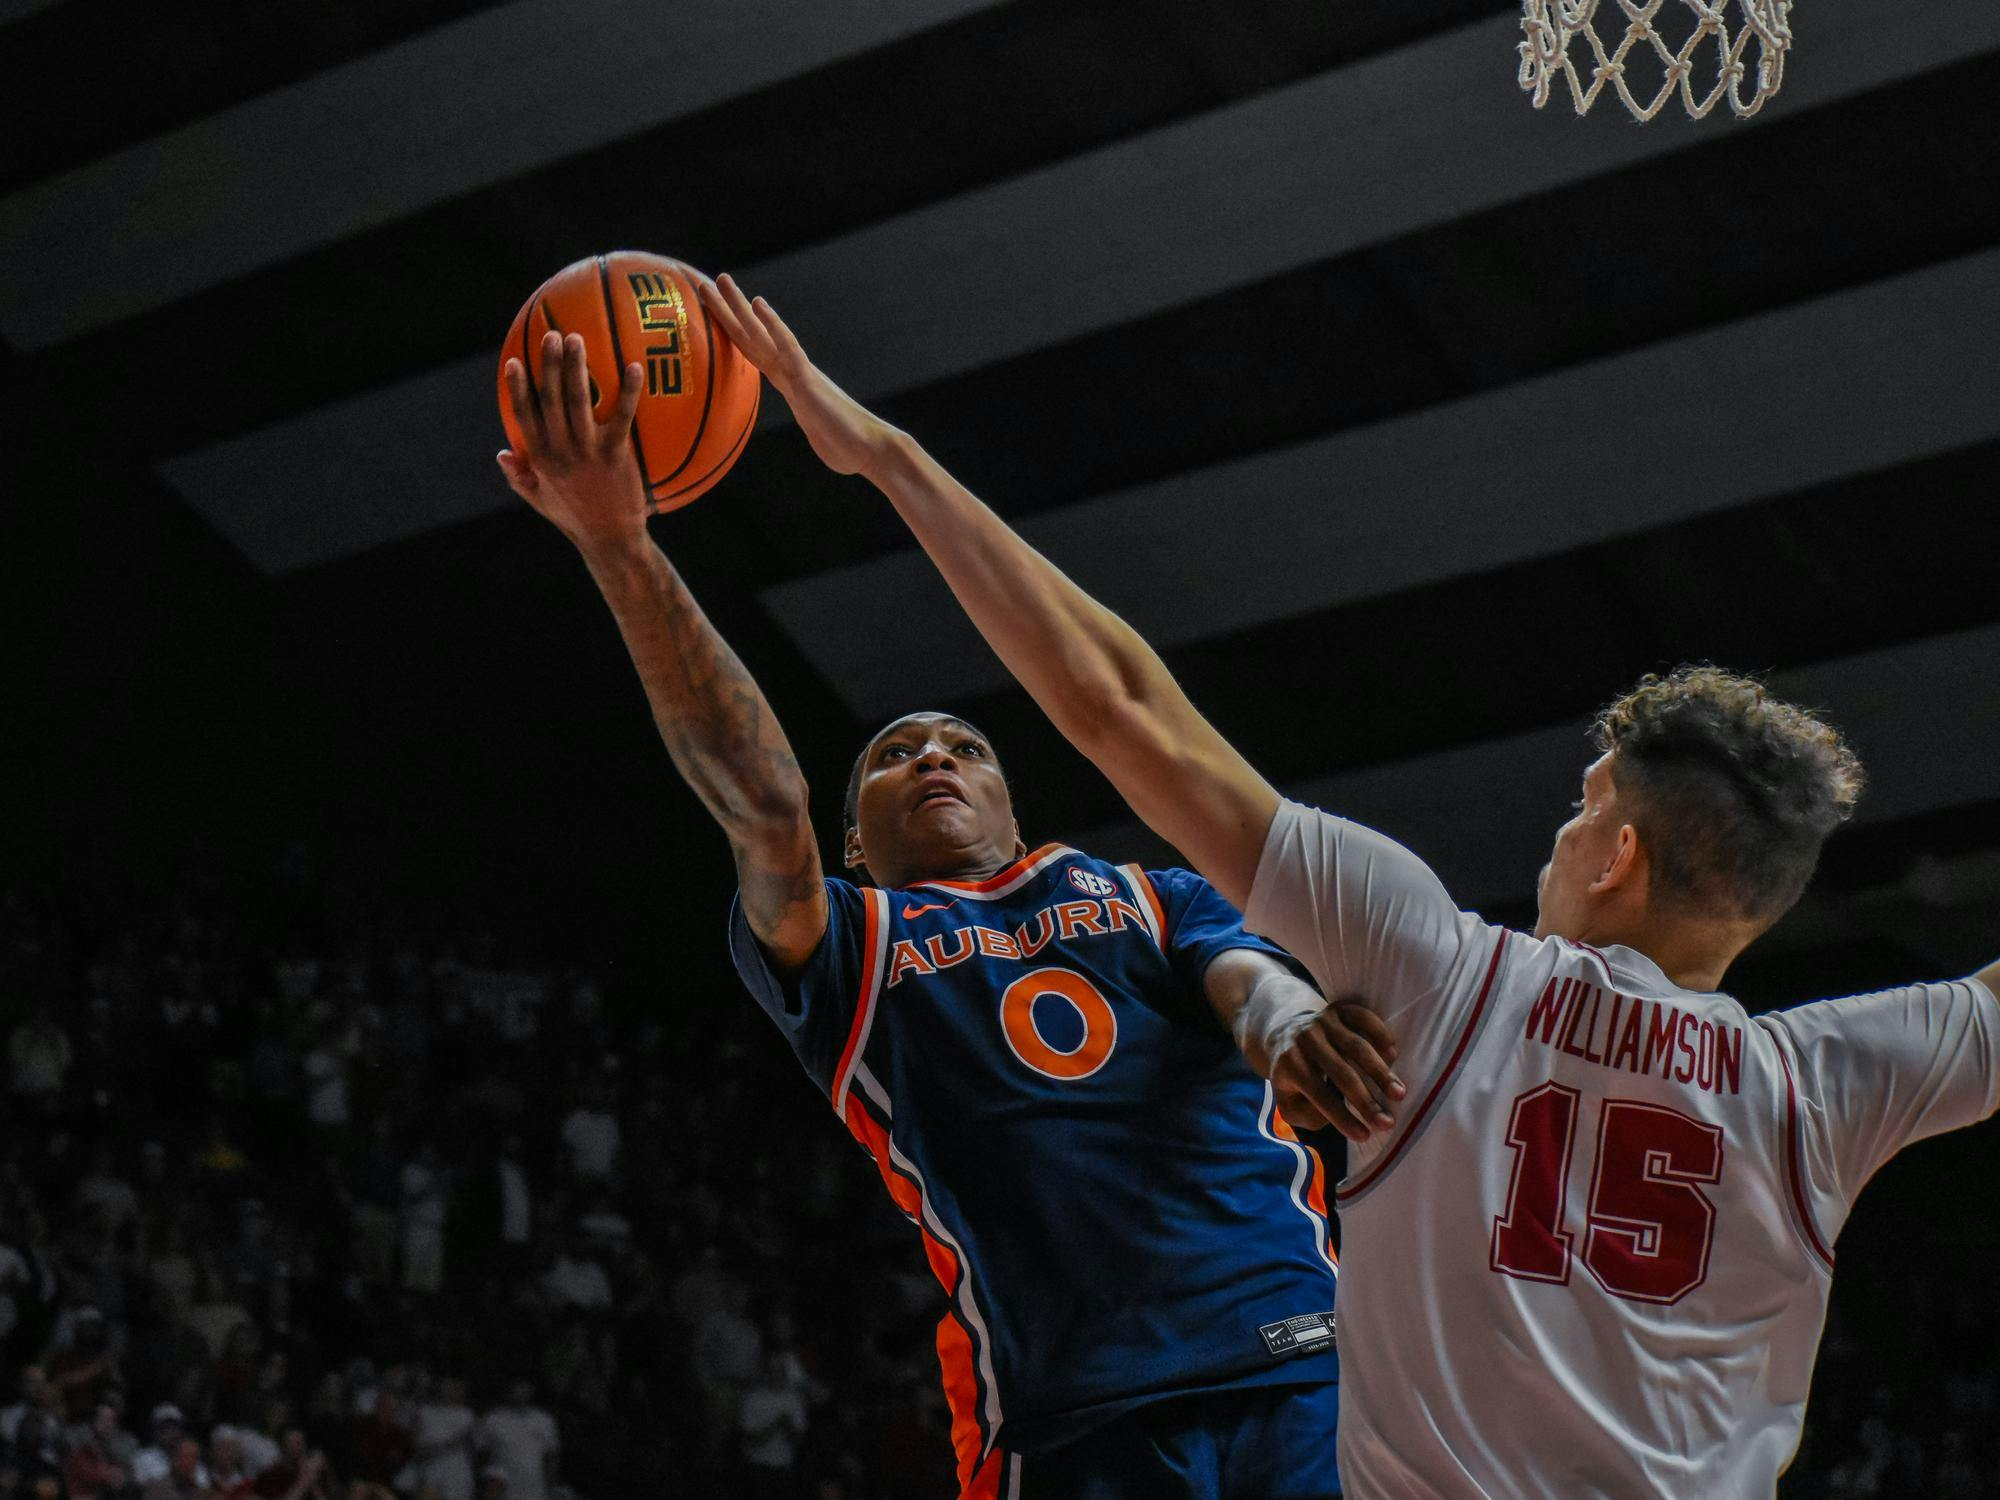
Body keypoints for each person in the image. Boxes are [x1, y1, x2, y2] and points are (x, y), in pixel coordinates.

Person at [699, 273, 2000, 1497]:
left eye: (1581, 810)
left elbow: (1116, 706)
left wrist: (884, 457)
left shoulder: (1449, 976)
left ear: (1617, 859)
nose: (1559, 835)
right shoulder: (1825, 1083)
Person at [496, 318, 1402, 1499]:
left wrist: (1285, 1028)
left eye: (964, 746)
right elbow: (762, 803)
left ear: (1011, 809)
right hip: (1071, 1408)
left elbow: (1241, 976)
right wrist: (620, 545)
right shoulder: (848, 942)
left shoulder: (1134, 890)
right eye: (894, 755)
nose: (933, 757)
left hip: (1299, 1359)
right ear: (853, 848)